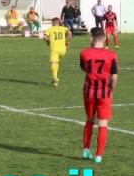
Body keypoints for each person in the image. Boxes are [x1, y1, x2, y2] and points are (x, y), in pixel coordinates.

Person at [79, 27, 119, 163]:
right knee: (103, 124)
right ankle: (99, 156)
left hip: (89, 91)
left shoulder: (84, 53)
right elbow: (114, 78)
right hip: (104, 93)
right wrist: (111, 91)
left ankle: (86, 150)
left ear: (92, 38)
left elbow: (84, 68)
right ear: (105, 39)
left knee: (90, 119)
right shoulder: (112, 55)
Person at [44, 17, 72, 87]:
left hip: (55, 50)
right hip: (63, 50)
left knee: (53, 63)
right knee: (56, 62)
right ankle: (55, 81)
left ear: (54, 23)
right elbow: (69, 33)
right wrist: (67, 42)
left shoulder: (50, 29)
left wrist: (48, 41)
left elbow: (45, 37)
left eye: (52, 23)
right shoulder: (63, 28)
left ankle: (55, 78)